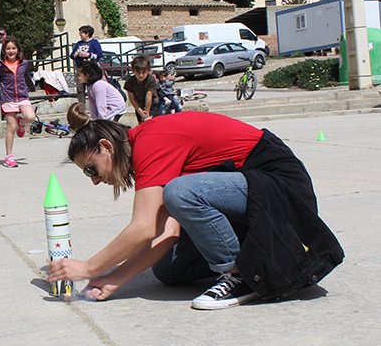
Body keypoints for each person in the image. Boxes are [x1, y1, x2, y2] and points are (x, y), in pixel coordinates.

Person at [50, 111, 344, 311]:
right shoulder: (146, 152)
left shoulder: (150, 142)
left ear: (106, 146)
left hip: (280, 189)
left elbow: (142, 228)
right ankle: (253, 257)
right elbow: (168, 231)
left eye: (91, 169)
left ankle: (240, 274)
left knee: (180, 193)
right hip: (254, 196)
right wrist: (112, 279)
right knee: (169, 270)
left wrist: (89, 268)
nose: (95, 180)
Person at [0, 37, 36, 168]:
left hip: (22, 97)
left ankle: (21, 122)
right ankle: (9, 156)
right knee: (11, 127)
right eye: (8, 48)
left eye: (13, 48)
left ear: (18, 50)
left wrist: (32, 87)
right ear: (4, 50)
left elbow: (26, 76)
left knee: (31, 117)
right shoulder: (0, 65)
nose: (11, 51)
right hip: (8, 98)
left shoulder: (24, 63)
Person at [70, 25, 103, 112]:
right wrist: (75, 54)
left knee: (93, 88)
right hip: (80, 69)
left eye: (81, 32)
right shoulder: (78, 43)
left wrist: (88, 55)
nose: (80, 34)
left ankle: (96, 106)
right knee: (80, 89)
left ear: (87, 34)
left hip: (90, 69)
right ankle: (81, 108)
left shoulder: (94, 43)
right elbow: (72, 55)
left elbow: (99, 54)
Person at [123, 56, 160, 124]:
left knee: (151, 124)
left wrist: (146, 113)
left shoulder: (150, 79)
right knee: (141, 124)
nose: (141, 75)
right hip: (138, 106)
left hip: (152, 105)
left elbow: (148, 97)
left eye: (144, 72)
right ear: (133, 71)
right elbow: (132, 99)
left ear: (148, 71)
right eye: (138, 72)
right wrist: (141, 112)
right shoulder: (130, 81)